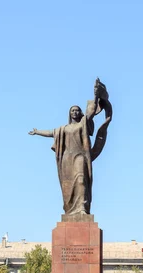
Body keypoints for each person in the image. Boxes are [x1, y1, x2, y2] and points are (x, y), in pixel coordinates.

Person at [29, 79, 112, 215]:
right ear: (70, 114)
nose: (75, 112)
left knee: (81, 180)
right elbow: (51, 133)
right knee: (67, 188)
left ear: (80, 113)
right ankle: (72, 210)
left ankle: (82, 209)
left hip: (80, 156)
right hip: (67, 159)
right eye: (72, 110)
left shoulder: (83, 124)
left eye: (77, 110)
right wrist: (37, 131)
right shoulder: (63, 129)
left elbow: (91, 112)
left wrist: (96, 95)